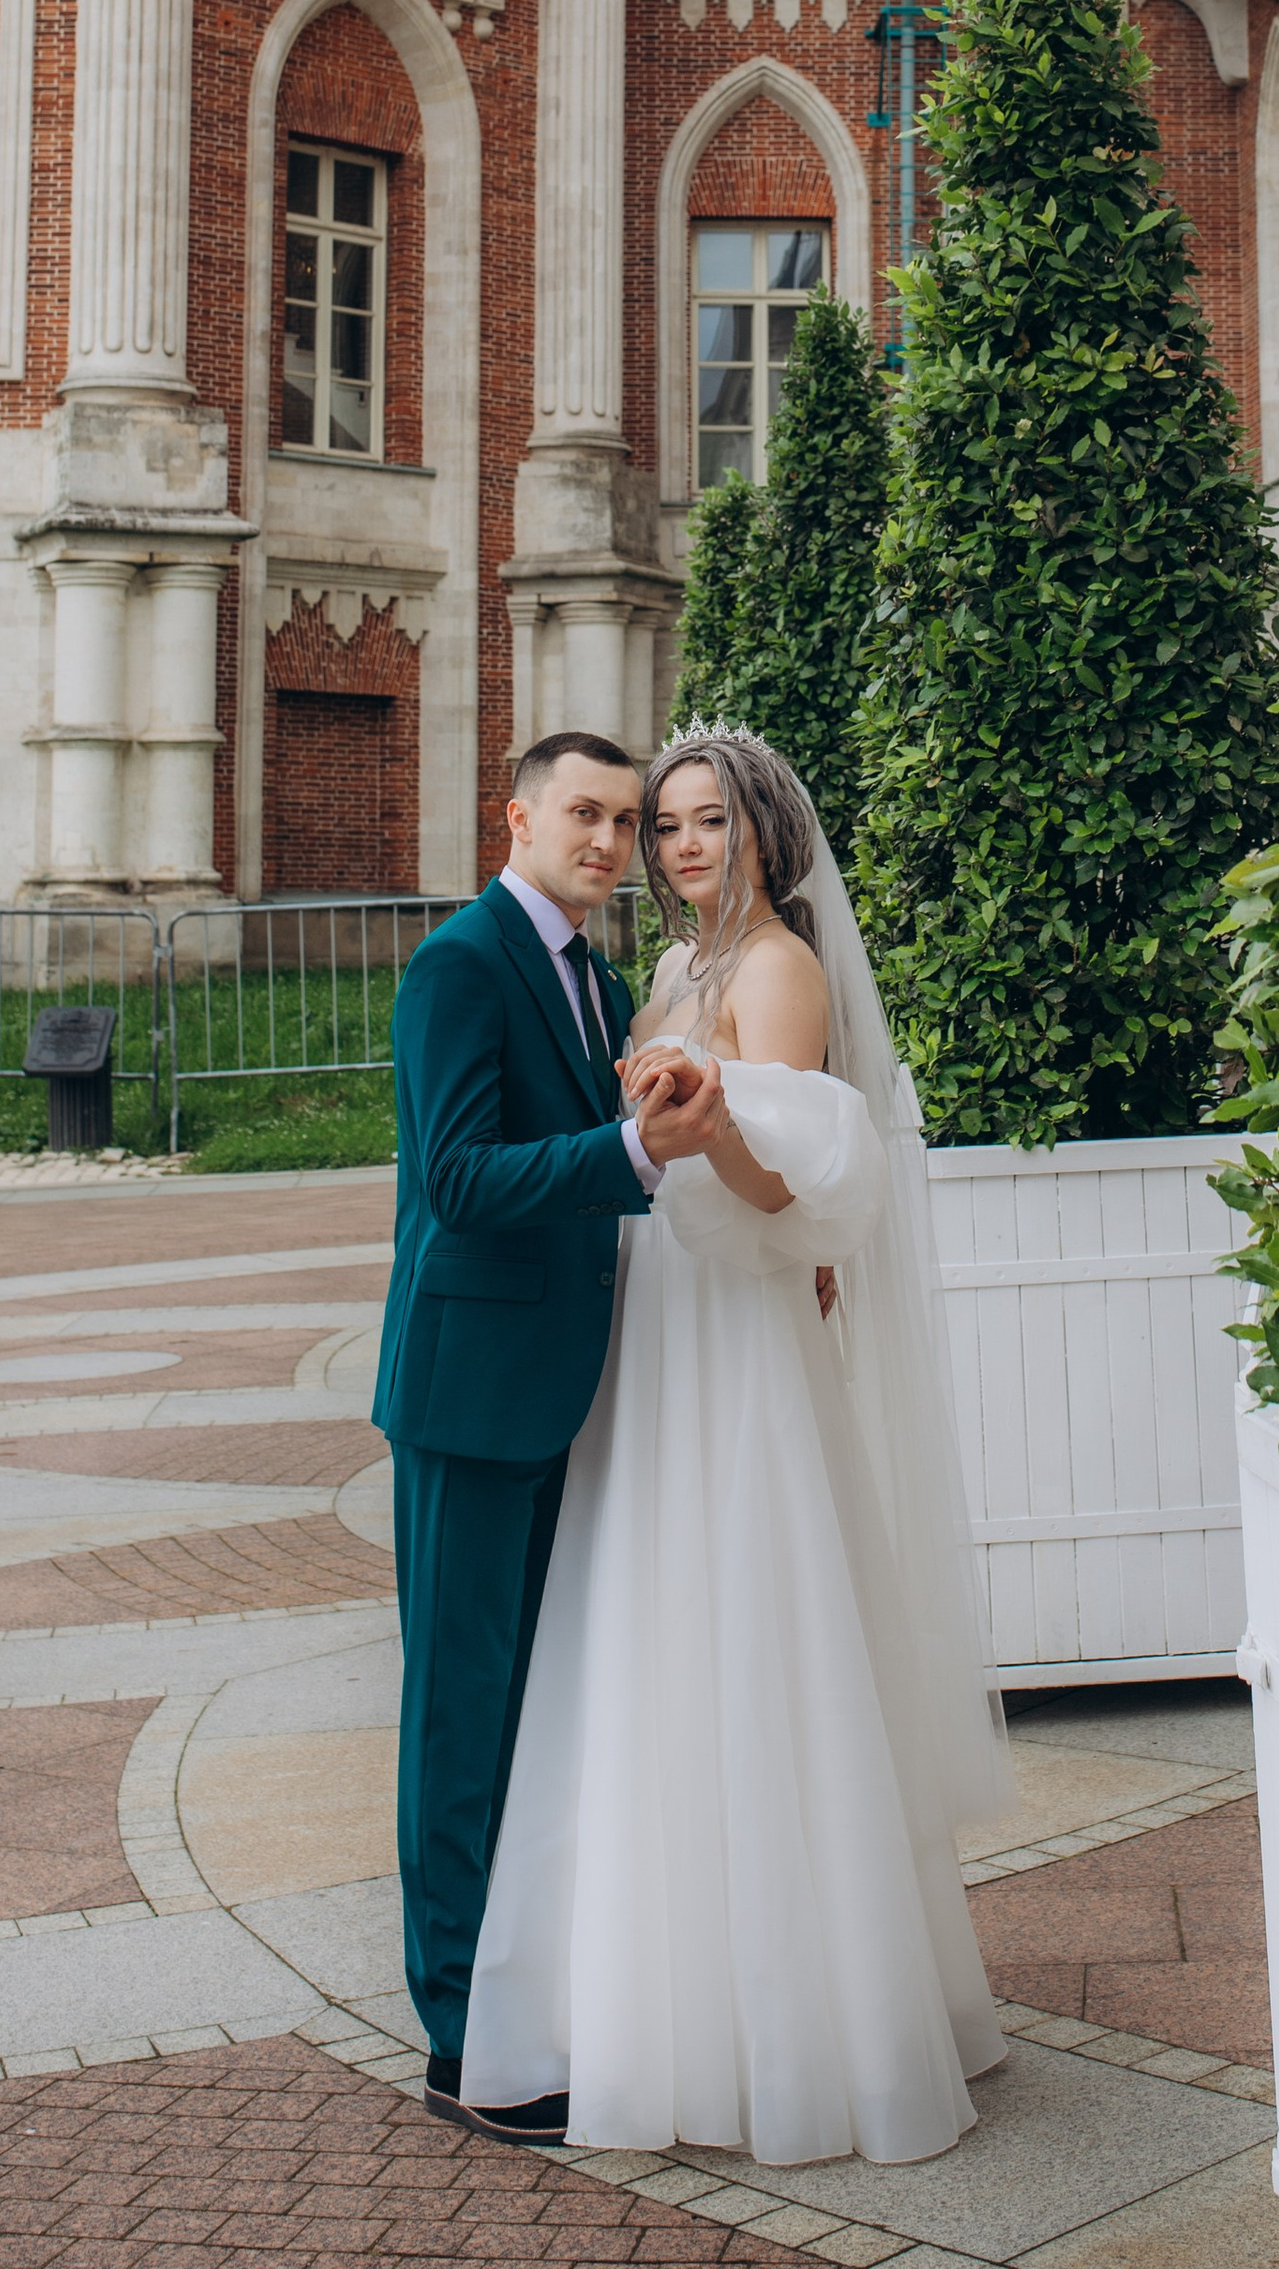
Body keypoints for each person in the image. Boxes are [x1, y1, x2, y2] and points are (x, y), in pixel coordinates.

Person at [461, 725, 1009, 2167]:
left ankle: (806, 2024)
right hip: (658, 1325)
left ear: (766, 830)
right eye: (668, 830)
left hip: (738, 1335)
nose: (684, 849)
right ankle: (654, 1997)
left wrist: (711, 1144)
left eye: (709, 823)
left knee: (755, 1638)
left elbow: (796, 1192)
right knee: (647, 1632)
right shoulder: (671, 973)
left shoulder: (778, 971)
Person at [373, 731, 726, 2147]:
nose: (607, 839)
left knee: (530, 1714)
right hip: (470, 1391)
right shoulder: (461, 963)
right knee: (461, 1720)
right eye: (583, 812)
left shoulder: (586, 976)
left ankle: (524, 1999)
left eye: (625, 821)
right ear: (513, 814)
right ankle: (460, 2038)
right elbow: (456, 1178)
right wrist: (632, 1157)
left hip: (558, 1385)